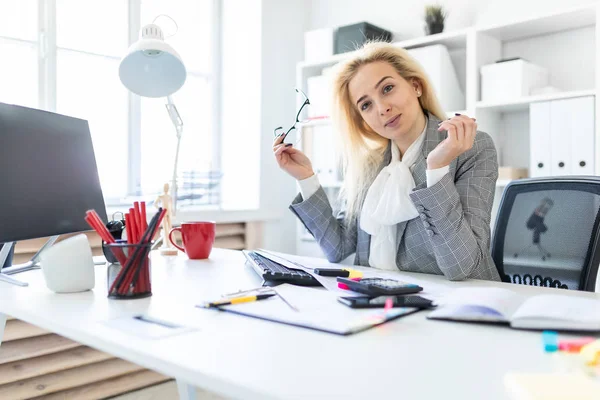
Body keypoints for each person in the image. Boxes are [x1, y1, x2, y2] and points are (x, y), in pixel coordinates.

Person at [273, 42, 500, 281]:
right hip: (378, 299)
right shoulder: (369, 165)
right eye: (366, 105)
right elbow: (337, 248)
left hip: (457, 304)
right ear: (362, 119)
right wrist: (306, 178)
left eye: (387, 88)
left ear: (415, 86)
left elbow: (462, 266)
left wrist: (437, 171)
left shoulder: (470, 148)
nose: (382, 108)